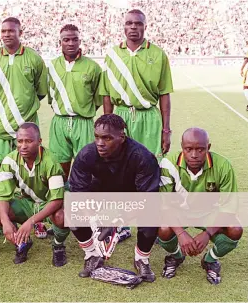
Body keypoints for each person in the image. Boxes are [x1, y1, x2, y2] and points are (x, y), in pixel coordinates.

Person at [99, 9, 173, 241]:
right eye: (129, 23)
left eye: (138, 23)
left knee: (151, 168)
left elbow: (164, 94)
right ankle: (120, 225)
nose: (133, 27)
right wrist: (107, 128)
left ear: (145, 26)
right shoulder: (112, 55)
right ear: (123, 27)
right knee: (119, 170)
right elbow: (107, 95)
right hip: (120, 118)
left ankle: (149, 222)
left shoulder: (158, 55)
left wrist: (166, 128)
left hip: (148, 117)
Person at [68, 114, 160, 282]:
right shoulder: (86, 154)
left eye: (107, 138)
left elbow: (149, 199)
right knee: (72, 211)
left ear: (122, 137)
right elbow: (77, 193)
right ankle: (92, 255)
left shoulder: (142, 156)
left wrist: (118, 218)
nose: (100, 143)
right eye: (97, 137)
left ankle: (141, 259)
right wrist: (95, 219)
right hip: (101, 197)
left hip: (131, 198)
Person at [158, 128, 243, 285]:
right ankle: (176, 256)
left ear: (208, 147)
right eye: (188, 149)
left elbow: (228, 208)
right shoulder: (168, 163)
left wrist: (207, 234)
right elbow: (164, 206)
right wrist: (181, 233)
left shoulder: (223, 166)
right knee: (162, 228)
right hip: (180, 212)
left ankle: (210, 260)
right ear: (182, 147)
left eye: (200, 149)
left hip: (209, 213)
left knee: (235, 229)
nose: (194, 155)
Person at [0, 123, 70, 267]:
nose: (23, 146)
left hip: (47, 203)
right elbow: (2, 196)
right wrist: (5, 222)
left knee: (62, 217)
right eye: (20, 141)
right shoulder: (9, 160)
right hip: (26, 202)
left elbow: (57, 200)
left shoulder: (51, 161)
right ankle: (22, 242)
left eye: (29, 141)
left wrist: (30, 222)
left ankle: (58, 245)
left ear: (39, 142)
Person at [0, 17, 48, 173]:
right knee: (0, 164)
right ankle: (2, 194)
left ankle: (27, 194)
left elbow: (41, 91)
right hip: (0, 121)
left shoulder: (34, 58)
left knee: (28, 162)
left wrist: (25, 103)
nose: (6, 34)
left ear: (20, 32)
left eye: (11, 30)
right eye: (3, 31)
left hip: (26, 120)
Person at [46, 24, 102, 185]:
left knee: (86, 166)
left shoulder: (93, 67)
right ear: (60, 42)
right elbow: (50, 94)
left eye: (74, 39)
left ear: (80, 41)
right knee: (59, 167)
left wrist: (82, 110)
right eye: (66, 40)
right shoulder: (52, 66)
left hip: (83, 122)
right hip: (59, 122)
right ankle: (60, 203)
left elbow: (98, 98)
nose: (71, 43)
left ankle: (82, 202)